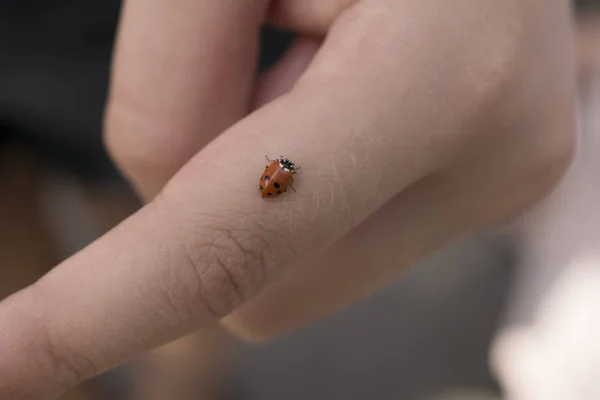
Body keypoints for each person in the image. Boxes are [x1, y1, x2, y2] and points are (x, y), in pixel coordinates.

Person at [0, 0, 577, 398]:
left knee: (148, 223)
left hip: (81, 47)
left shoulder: (278, 172)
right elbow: (277, 180)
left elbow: (271, 185)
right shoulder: (280, 173)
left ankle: (175, 383)